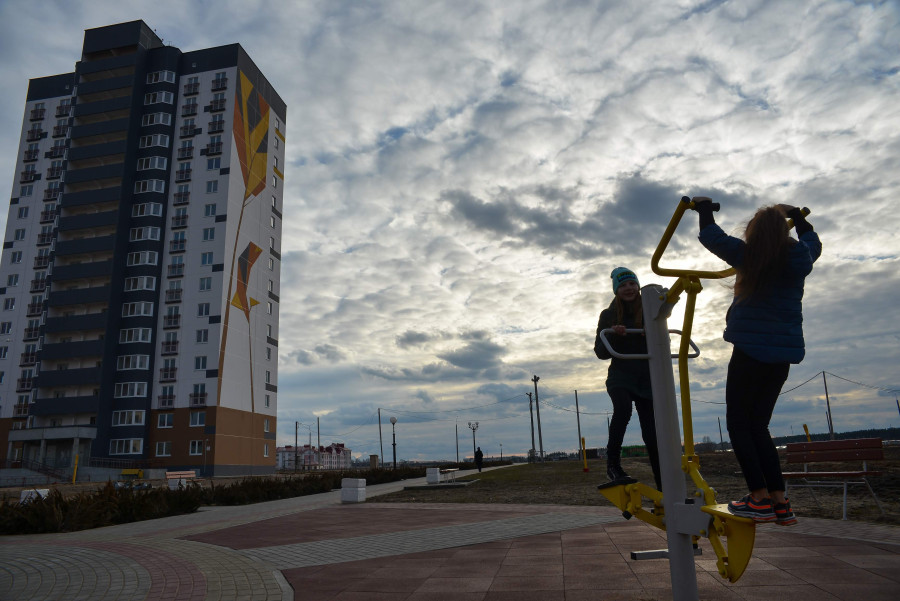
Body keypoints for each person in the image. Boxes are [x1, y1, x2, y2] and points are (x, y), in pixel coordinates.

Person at [694, 198, 821, 525]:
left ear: (754, 233)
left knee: (739, 424)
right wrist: (797, 217)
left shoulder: (750, 256)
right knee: (758, 425)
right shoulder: (800, 258)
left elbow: (712, 237)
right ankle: (780, 501)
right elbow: (812, 242)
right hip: (783, 355)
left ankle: (759, 498)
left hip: (750, 350)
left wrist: (704, 209)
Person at [593, 267, 662, 490]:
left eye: (632, 283)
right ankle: (613, 466)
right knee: (622, 410)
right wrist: (613, 333)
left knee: (651, 431)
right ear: (616, 290)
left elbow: (662, 342)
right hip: (621, 376)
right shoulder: (608, 314)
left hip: (646, 378)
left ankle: (664, 482)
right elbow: (600, 352)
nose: (628, 288)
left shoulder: (651, 310)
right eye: (623, 285)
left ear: (638, 285)